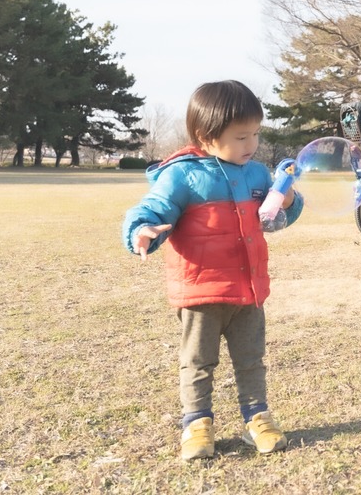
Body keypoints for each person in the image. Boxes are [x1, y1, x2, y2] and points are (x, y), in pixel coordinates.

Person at [122, 80, 304, 460]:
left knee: (251, 360)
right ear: (206, 137)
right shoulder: (182, 176)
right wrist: (142, 230)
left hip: (248, 290)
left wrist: (288, 199)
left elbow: (273, 219)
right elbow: (153, 208)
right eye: (241, 137)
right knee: (198, 362)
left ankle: (257, 419)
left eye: (255, 133)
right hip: (201, 292)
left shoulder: (257, 175)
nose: (251, 144)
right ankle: (196, 424)